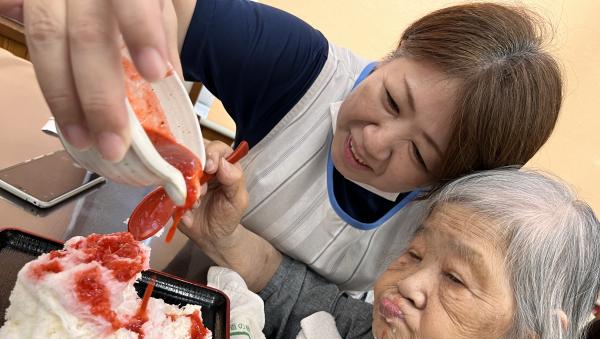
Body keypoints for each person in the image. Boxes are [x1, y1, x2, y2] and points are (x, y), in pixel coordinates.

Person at [22, 0, 563, 290]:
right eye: (393, 98)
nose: (375, 141)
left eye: (419, 155)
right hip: (186, 302)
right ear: (394, 55)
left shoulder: (463, 212)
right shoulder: (298, 68)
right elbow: (170, 13)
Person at [189, 164, 599, 339]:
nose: (408, 282)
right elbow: (292, 292)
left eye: (455, 279)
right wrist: (222, 234)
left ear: (530, 338)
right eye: (416, 253)